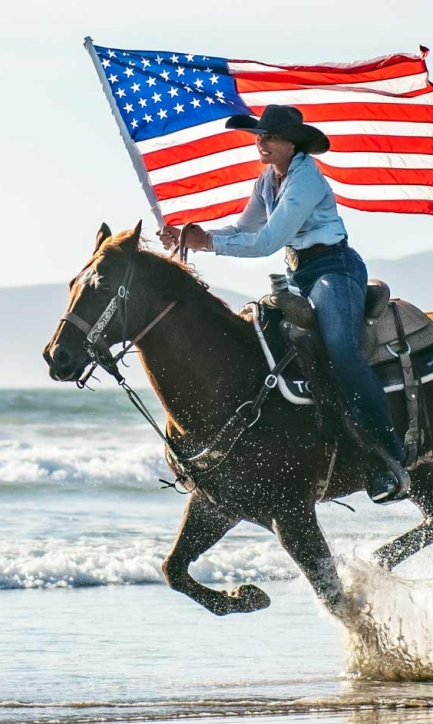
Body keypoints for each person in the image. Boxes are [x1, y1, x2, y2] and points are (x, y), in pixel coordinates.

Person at [157, 104, 408, 503]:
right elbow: (244, 228)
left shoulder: (306, 179)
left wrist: (206, 242)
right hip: (298, 275)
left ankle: (389, 455)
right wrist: (194, 238)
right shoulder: (267, 180)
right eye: (259, 136)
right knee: (264, 343)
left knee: (342, 352)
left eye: (270, 137)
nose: (262, 143)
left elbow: (267, 241)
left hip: (334, 269)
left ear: (292, 143)